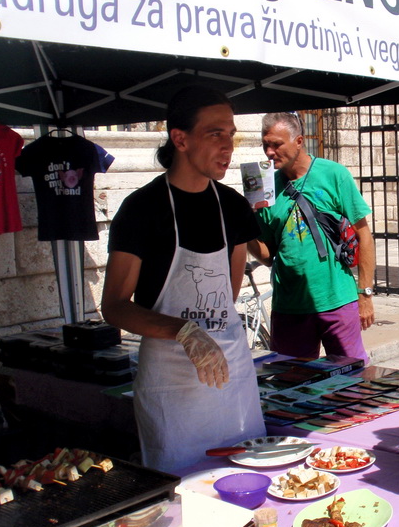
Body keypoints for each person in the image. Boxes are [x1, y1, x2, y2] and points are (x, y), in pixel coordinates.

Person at [101, 85, 265, 473]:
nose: (228, 146)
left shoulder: (233, 207)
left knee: (246, 479)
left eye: (231, 134)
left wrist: (208, 331)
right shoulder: (141, 210)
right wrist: (186, 332)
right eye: (215, 134)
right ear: (180, 138)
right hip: (171, 390)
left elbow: (229, 292)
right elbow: (115, 307)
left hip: (233, 379)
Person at [248, 112, 375, 363]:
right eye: (266, 145)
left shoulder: (333, 174)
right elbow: (267, 256)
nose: (270, 152)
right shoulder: (264, 187)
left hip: (337, 301)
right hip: (289, 308)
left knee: (351, 382)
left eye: (276, 144)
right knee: (292, 386)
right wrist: (244, 226)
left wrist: (365, 294)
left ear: (299, 141)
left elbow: (364, 236)